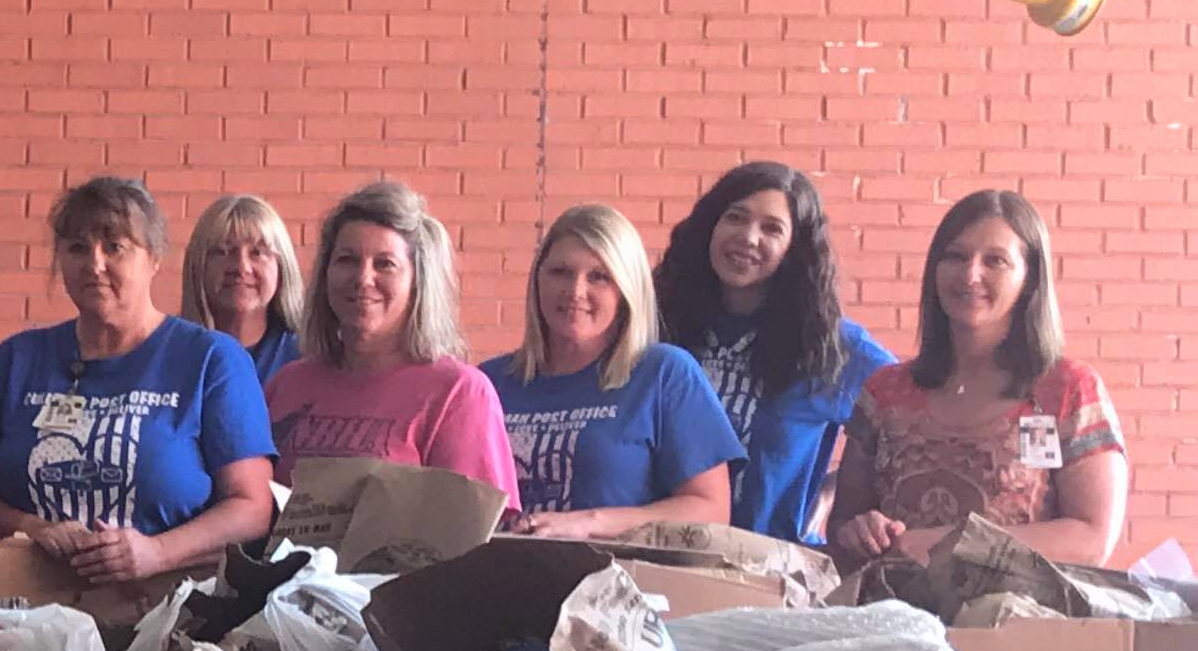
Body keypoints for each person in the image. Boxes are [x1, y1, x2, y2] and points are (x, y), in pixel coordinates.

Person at [0, 176, 275, 583]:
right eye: (77, 248)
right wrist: (29, 526)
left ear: (154, 257)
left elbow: (253, 507)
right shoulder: (17, 358)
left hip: (163, 611)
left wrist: (158, 552)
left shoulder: (212, 360)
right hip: (24, 606)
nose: (94, 264)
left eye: (114, 247)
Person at [831, 188, 1127, 569]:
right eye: (955, 256)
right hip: (895, 619)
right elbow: (841, 528)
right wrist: (860, 532)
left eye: (996, 261)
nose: (971, 274)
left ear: (1030, 278)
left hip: (1020, 623)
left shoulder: (1067, 390)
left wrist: (951, 543)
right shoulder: (884, 392)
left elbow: (1091, 539)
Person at [651, 162, 895, 545]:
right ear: (709, 226)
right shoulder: (657, 326)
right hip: (652, 561)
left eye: (771, 228)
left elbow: (913, 417)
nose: (748, 237)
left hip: (771, 575)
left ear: (795, 248)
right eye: (736, 217)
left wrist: (839, 494)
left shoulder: (831, 346)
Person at [479, 204, 741, 538]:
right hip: (499, 582)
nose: (575, 291)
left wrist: (592, 522)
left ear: (626, 290)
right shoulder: (487, 383)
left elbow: (711, 510)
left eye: (599, 277)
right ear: (537, 280)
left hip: (621, 583)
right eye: (560, 272)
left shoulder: (664, 374)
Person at [263, 180, 519, 494]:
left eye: (385, 264)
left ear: (418, 282)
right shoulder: (287, 384)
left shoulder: (458, 393)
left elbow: (474, 532)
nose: (363, 278)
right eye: (347, 259)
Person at [181, 193, 307, 383]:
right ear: (199, 266)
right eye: (223, 252)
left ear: (282, 267)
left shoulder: (309, 355)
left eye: (257, 253)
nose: (241, 267)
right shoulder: (169, 352)